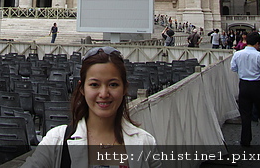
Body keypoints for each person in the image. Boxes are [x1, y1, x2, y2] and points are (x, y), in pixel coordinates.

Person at [23, 47, 160, 167]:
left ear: (125, 88)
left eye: (113, 84)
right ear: (82, 88)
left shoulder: (145, 143)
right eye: (94, 85)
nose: (104, 94)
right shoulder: (56, 140)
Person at [230, 32, 260, 146]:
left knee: (245, 114)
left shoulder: (238, 54)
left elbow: (233, 68)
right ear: (257, 43)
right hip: (257, 85)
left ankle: (245, 140)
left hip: (244, 85)